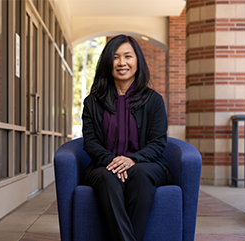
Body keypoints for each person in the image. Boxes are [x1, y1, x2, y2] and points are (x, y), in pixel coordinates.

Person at [82, 34, 172, 241]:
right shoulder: (93, 102)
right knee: (108, 176)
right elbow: (90, 142)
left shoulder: (154, 100)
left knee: (139, 173)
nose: (122, 62)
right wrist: (112, 161)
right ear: (107, 62)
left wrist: (132, 159)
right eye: (115, 57)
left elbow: (158, 142)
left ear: (137, 61)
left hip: (147, 164)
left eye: (128, 56)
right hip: (104, 165)